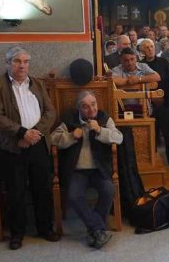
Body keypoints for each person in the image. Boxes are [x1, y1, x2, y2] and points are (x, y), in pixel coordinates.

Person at [0, 47, 59, 250]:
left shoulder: (37, 83)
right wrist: (21, 133)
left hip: (38, 144)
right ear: (8, 63)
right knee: (15, 192)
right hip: (12, 147)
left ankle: (45, 228)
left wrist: (34, 133)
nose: (22, 66)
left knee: (42, 189)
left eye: (26, 62)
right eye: (17, 61)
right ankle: (17, 233)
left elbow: (50, 111)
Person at [50, 91, 122, 248]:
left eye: (93, 104)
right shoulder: (70, 120)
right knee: (74, 195)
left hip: (99, 169)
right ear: (79, 109)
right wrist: (71, 136)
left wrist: (100, 130)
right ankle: (97, 229)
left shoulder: (103, 118)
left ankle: (94, 230)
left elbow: (119, 138)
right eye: (86, 106)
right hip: (77, 170)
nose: (91, 109)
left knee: (109, 189)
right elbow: (53, 138)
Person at [138, 38, 169, 166]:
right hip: (148, 105)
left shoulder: (163, 62)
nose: (150, 49)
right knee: (151, 135)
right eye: (147, 47)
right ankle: (152, 162)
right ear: (142, 50)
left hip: (164, 104)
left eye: (151, 47)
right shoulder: (140, 65)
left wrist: (166, 100)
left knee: (168, 136)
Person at [108, 46, 160, 118]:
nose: (130, 63)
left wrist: (139, 79)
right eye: (126, 60)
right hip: (123, 110)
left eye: (132, 59)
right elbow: (112, 80)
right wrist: (129, 80)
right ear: (121, 60)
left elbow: (157, 77)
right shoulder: (117, 69)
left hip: (144, 109)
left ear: (136, 58)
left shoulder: (143, 66)